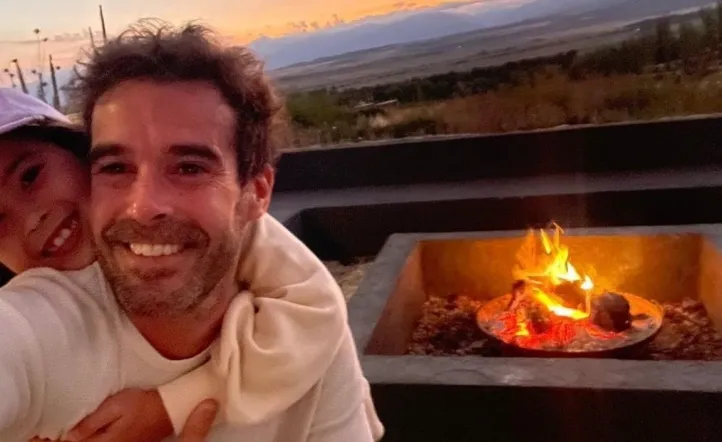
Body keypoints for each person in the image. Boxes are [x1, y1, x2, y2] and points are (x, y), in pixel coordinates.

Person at [0, 22, 382, 442]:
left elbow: (318, 308)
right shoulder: (38, 319)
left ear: (255, 194)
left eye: (188, 167)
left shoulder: (265, 259)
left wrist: (173, 405)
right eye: (117, 167)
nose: (144, 206)